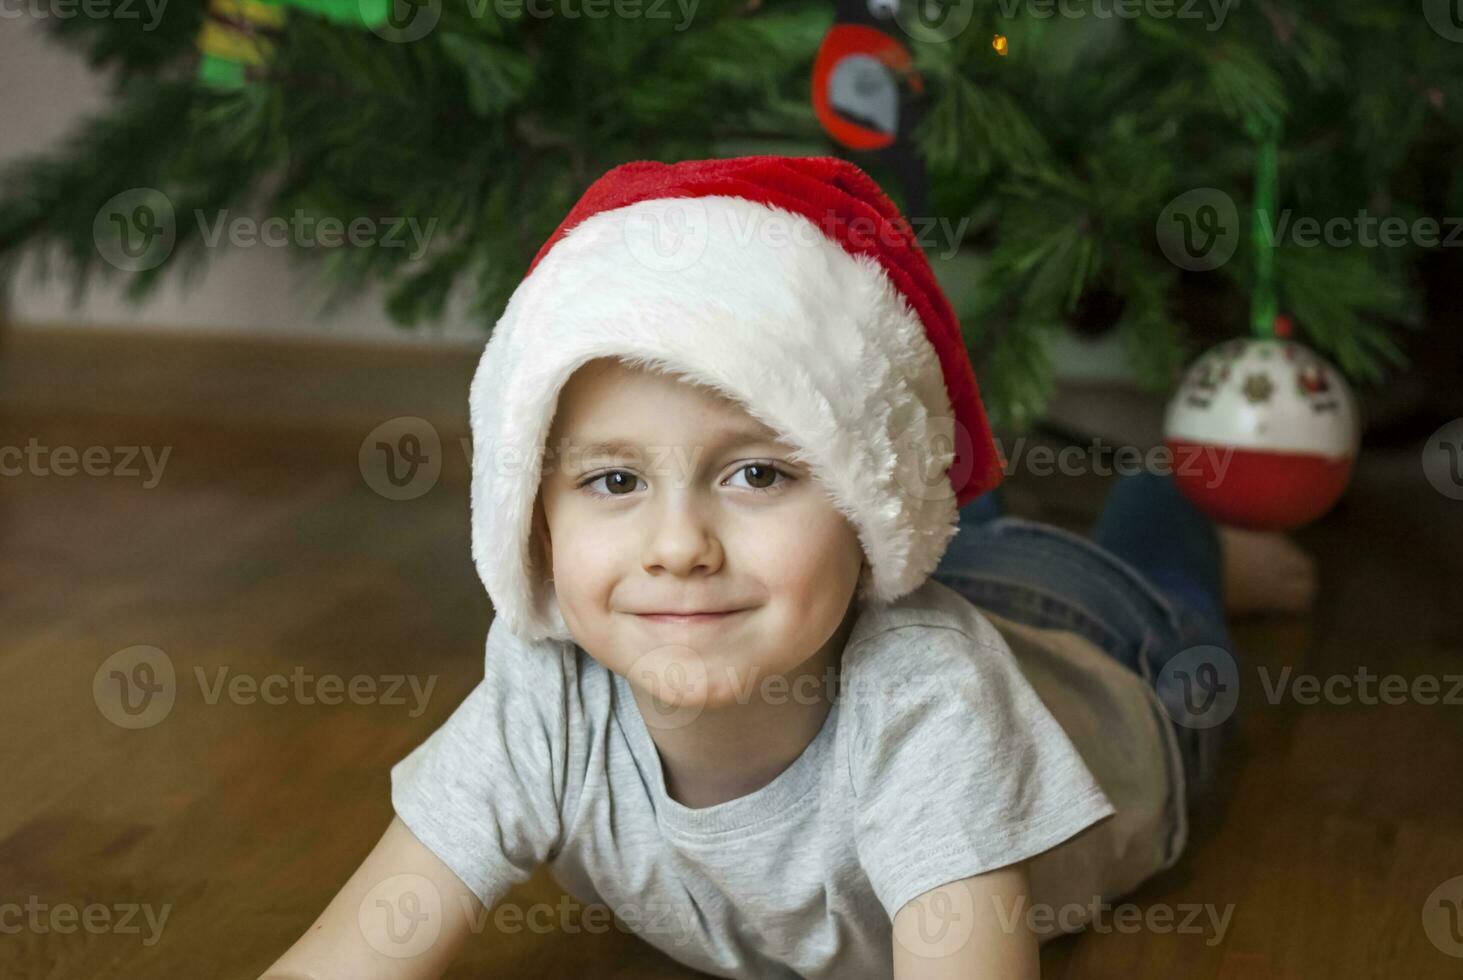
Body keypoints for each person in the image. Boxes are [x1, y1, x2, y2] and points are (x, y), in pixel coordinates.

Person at [260, 156, 1315, 980]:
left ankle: (1186, 527)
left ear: (866, 499)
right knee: (951, 541)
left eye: (756, 470)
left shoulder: (926, 706)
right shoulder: (542, 691)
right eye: (614, 481)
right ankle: (944, 507)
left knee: (1145, 537)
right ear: (530, 519)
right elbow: (353, 949)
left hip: (1106, 650)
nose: (678, 545)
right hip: (889, 584)